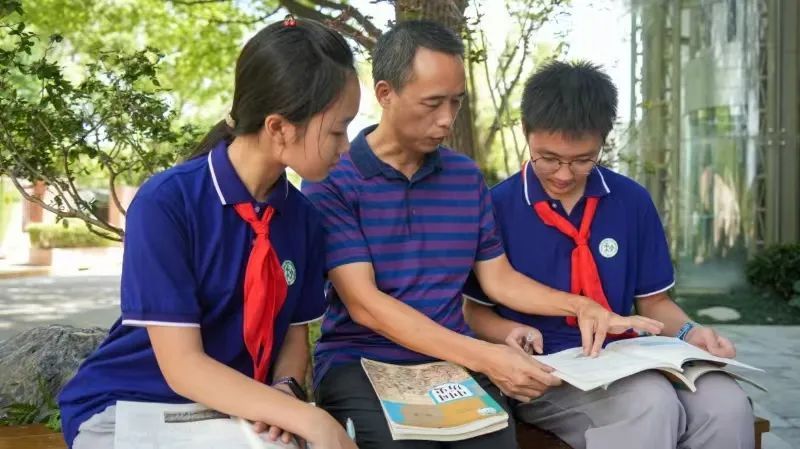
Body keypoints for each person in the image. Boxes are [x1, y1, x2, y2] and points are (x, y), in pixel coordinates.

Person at [301, 21, 662, 449]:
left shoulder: (464, 177)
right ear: (385, 94)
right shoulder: (333, 179)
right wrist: (487, 356)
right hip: (362, 362)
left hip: (453, 364)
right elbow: (366, 305)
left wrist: (582, 306)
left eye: (456, 102)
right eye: (433, 103)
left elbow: (499, 279)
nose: (446, 119)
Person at [58, 16, 361, 449]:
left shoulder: (304, 220)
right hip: (132, 406)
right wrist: (311, 420)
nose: (346, 147)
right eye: (337, 130)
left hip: (237, 412)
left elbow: (293, 335)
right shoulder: (167, 203)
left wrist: (285, 392)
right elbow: (183, 367)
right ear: (278, 127)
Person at [463, 60, 754, 449]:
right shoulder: (498, 206)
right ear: (526, 132)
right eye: (548, 158)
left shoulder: (630, 201)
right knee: (649, 403)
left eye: (583, 160)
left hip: (630, 356)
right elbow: (474, 312)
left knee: (727, 405)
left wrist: (692, 333)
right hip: (548, 372)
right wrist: (508, 334)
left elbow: (655, 304)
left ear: (603, 141)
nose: (564, 174)